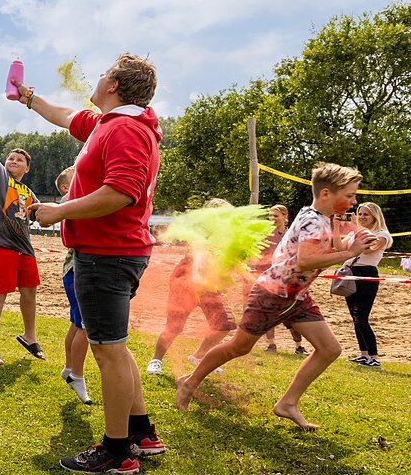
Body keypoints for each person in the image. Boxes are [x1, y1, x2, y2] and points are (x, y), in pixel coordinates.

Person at [25, 53, 166, 474]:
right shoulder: (110, 123)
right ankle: (141, 432)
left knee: (107, 350)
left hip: (107, 253)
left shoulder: (125, 129)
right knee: (114, 347)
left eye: (104, 72)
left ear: (115, 85)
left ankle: (116, 451)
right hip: (112, 251)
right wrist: (28, 98)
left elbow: (121, 192)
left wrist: (60, 210)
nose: (98, 75)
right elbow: (66, 115)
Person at [177, 163, 379, 429]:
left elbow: (336, 247)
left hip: (296, 296)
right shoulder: (312, 221)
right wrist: (350, 252)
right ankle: (189, 382)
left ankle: (287, 404)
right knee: (239, 347)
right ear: (327, 193)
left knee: (330, 349)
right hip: (272, 294)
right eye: (350, 195)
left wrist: (354, 238)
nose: (354, 201)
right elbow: (305, 261)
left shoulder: (325, 217)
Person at [0, 106, 42, 364]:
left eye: (18, 160)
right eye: (10, 158)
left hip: (24, 247)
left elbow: (41, 218)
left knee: (30, 291)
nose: (12, 161)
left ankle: (29, 336)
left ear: (27, 167)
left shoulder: (29, 192)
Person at [146, 199, 238, 377]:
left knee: (224, 323)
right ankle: (156, 360)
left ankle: (199, 356)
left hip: (209, 284)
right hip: (185, 282)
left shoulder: (226, 236)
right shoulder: (199, 233)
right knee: (175, 326)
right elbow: (198, 260)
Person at [53, 167, 91, 405]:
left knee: (76, 324)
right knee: (86, 328)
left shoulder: (73, 200)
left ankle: (69, 369)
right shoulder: (71, 200)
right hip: (78, 271)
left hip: (73, 272)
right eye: (76, 176)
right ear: (66, 187)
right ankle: (78, 374)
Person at [345, 202, 390, 367]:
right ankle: (364, 354)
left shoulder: (382, 234)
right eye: (360, 214)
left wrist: (356, 229)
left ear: (375, 216)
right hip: (351, 274)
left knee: (362, 318)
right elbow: (341, 247)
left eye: (366, 214)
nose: (362, 217)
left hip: (367, 275)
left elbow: (367, 249)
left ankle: (374, 357)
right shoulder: (356, 233)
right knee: (355, 317)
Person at [254, 205, 290, 351]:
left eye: (276, 216)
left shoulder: (290, 233)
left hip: (286, 276)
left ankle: (299, 346)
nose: (272, 219)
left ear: (284, 216)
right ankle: (271, 343)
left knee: (289, 310)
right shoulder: (266, 234)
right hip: (267, 276)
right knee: (268, 310)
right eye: (270, 216)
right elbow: (256, 253)